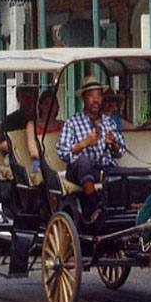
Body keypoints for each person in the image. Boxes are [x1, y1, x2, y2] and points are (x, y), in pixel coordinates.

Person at [56, 76, 126, 224]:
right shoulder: (72, 122)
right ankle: (93, 210)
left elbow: (120, 151)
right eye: (91, 96)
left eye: (99, 96)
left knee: (123, 174)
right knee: (84, 161)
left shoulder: (109, 122)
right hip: (79, 170)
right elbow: (62, 152)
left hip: (103, 168)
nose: (96, 100)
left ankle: (123, 214)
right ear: (83, 98)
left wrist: (113, 143)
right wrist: (84, 143)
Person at [26, 89, 63, 174]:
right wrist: (49, 159)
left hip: (61, 161)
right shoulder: (32, 125)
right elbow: (33, 151)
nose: (50, 107)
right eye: (46, 104)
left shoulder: (63, 124)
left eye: (53, 104)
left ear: (57, 106)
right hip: (41, 162)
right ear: (41, 106)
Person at [0, 82, 37, 154]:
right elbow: (1, 145)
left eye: (30, 96)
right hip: (16, 156)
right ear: (18, 98)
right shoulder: (10, 121)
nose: (28, 100)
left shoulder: (40, 118)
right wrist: (19, 144)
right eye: (24, 96)